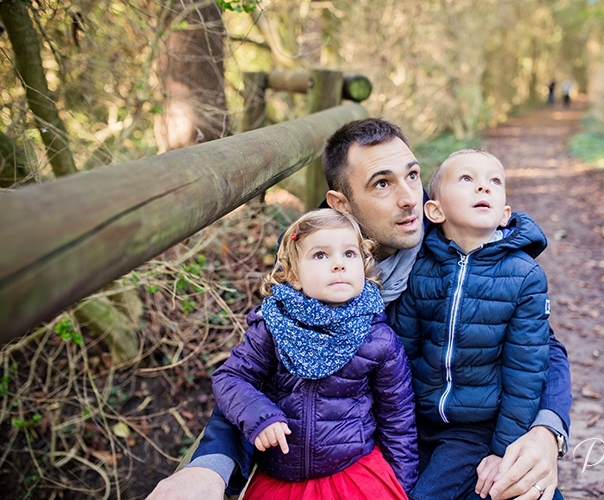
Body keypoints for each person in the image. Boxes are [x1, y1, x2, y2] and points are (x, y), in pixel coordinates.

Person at [146, 118, 572, 500]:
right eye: (382, 184)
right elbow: (267, 366)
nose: (409, 198)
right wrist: (209, 466)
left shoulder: (446, 233)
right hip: (361, 444)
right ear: (341, 204)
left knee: (525, 490)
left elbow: (540, 345)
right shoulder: (318, 263)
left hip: (460, 430)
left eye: (412, 175)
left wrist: (545, 431)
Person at [211, 209, 418, 499]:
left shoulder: (378, 339)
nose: (338, 265)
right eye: (321, 255)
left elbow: (398, 420)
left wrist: (400, 484)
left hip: (353, 471)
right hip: (281, 476)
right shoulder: (273, 325)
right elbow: (230, 376)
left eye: (350, 254)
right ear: (294, 276)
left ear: (364, 266)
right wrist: (259, 416)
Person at [392, 149, 556, 500]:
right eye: (467, 179)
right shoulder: (420, 268)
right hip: (417, 418)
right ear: (434, 210)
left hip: (475, 426)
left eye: (494, 181)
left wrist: (503, 449)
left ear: (504, 214)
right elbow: (402, 349)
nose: (484, 187)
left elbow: (525, 370)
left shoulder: (524, 275)